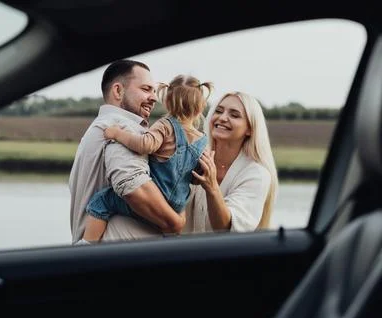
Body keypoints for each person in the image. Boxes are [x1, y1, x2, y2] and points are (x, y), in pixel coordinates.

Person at [82, 75, 213, 243]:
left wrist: (117, 133)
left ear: (167, 101)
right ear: (200, 107)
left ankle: (84, 246)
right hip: (177, 205)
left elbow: (145, 144)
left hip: (155, 197)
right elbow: (196, 178)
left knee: (101, 201)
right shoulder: (202, 140)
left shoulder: (166, 125)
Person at [69, 59, 186, 245]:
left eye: (154, 91)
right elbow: (133, 187)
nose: (155, 98)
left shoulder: (96, 129)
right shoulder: (123, 129)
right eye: (146, 89)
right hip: (116, 254)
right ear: (118, 91)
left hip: (94, 254)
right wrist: (175, 223)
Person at [185, 91, 278, 233]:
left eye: (234, 115)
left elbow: (225, 228)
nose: (222, 118)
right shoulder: (192, 156)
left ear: (250, 129)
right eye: (218, 111)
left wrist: (212, 187)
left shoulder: (257, 174)